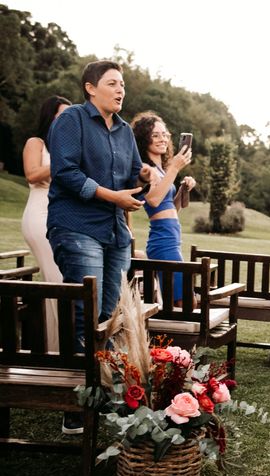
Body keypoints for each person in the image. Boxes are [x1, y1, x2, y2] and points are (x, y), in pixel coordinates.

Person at [47, 60, 154, 434]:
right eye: (112, 83)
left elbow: (131, 178)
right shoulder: (71, 120)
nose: (120, 89)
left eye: (123, 84)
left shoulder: (125, 131)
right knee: (84, 316)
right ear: (91, 88)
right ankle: (76, 407)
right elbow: (66, 173)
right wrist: (113, 196)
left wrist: (143, 175)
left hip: (114, 234)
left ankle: (102, 394)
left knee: (108, 318)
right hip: (76, 227)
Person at [21, 95, 71, 352]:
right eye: (61, 115)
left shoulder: (68, 147)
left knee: (63, 279)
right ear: (49, 117)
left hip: (62, 219)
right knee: (57, 279)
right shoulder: (36, 142)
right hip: (39, 217)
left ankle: (61, 345)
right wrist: (65, 161)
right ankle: (58, 350)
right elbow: (31, 174)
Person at [131, 111, 195, 306]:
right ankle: (172, 336)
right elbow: (154, 201)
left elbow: (172, 209)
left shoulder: (162, 170)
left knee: (181, 302)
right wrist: (174, 168)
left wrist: (183, 189)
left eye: (165, 134)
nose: (163, 139)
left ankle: (170, 335)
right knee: (185, 303)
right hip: (163, 243)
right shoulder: (145, 169)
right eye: (155, 135)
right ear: (144, 139)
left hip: (172, 240)